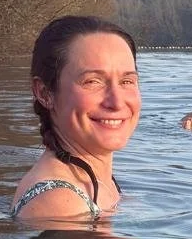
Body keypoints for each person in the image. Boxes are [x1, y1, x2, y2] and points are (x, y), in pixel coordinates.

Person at [10, 16, 140, 223]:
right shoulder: (60, 204)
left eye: (127, 81)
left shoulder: (93, 180)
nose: (116, 102)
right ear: (45, 93)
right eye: (92, 81)